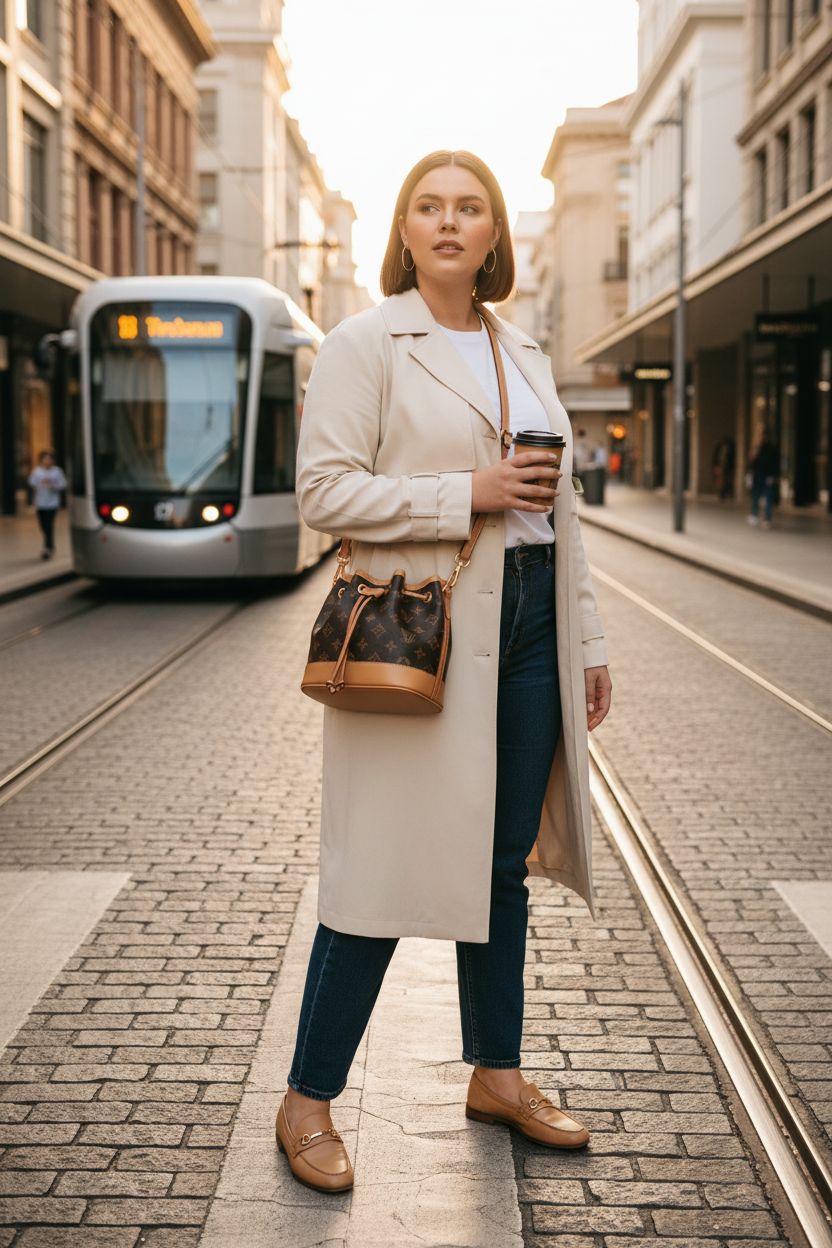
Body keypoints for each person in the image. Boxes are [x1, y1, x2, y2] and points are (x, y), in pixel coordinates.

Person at [278, 151, 613, 1193]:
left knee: (501, 866)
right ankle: (307, 1099)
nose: (449, 221)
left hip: (528, 627)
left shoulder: (523, 351)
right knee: (376, 865)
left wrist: (587, 642)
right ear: (406, 229)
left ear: (494, 231)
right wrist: (462, 490)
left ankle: (496, 1075)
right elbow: (324, 492)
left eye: (469, 206)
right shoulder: (364, 342)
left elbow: (558, 514)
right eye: (429, 207)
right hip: (419, 634)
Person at [27, 450, 67, 560]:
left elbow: (63, 485)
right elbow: (31, 483)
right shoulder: (37, 471)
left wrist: (52, 485)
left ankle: (48, 547)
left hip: (52, 504)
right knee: (43, 526)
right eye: (45, 459)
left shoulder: (57, 471)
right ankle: (49, 545)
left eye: (49, 459)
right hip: (40, 503)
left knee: (49, 525)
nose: (47, 461)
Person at [746, 423, 778, 529]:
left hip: (767, 476)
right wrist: (750, 474)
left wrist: (773, 476)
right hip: (757, 475)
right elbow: (752, 463)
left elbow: (774, 463)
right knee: (756, 496)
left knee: (768, 498)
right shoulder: (756, 448)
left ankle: (767, 519)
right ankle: (754, 515)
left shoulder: (771, 448)